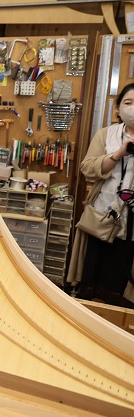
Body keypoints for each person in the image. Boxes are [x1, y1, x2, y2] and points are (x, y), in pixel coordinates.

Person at [73, 83, 134, 308]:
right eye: (128, 103)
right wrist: (118, 154)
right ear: (118, 108)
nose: (133, 108)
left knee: (122, 286)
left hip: (132, 227)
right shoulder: (106, 135)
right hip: (102, 217)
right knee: (94, 278)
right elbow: (87, 169)